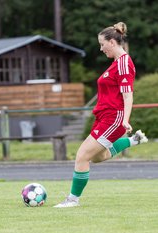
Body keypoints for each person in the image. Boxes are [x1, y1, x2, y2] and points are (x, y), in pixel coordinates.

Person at [54, 22, 148, 208]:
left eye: (102, 44)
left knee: (82, 156)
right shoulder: (116, 63)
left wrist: (125, 120)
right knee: (97, 157)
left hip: (113, 118)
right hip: (103, 117)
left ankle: (72, 200)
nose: (101, 48)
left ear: (112, 42)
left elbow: (128, 95)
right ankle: (134, 140)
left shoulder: (123, 63)